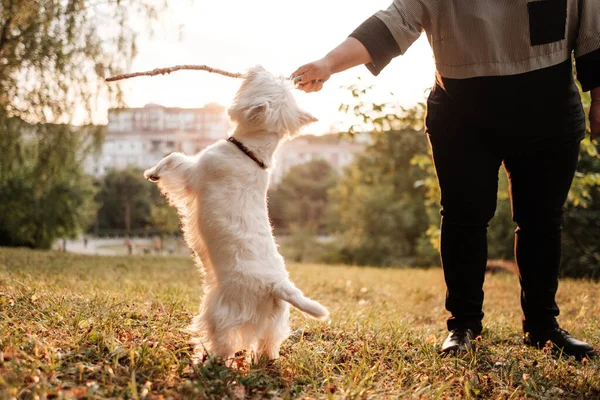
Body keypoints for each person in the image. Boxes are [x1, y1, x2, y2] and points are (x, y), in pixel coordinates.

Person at [292, 0, 599, 358]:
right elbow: (393, 22)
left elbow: (593, 31)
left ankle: (543, 327)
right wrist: (327, 64)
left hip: (548, 112)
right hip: (463, 114)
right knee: (463, 218)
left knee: (542, 220)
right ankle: (464, 325)